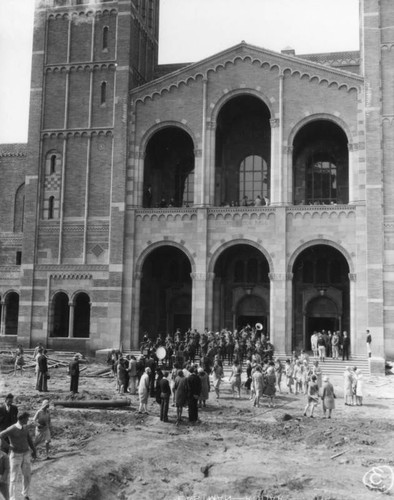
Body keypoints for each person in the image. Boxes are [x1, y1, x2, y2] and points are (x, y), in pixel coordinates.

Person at [0, 411, 36, 500]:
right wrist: (9, 446)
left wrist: (34, 450)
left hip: (26, 454)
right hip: (15, 456)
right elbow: (0, 435)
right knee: (13, 478)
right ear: (21, 419)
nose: (28, 420)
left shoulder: (25, 428)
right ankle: (12, 498)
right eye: (27, 418)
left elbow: (29, 439)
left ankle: (25, 494)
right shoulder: (12, 428)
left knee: (27, 475)